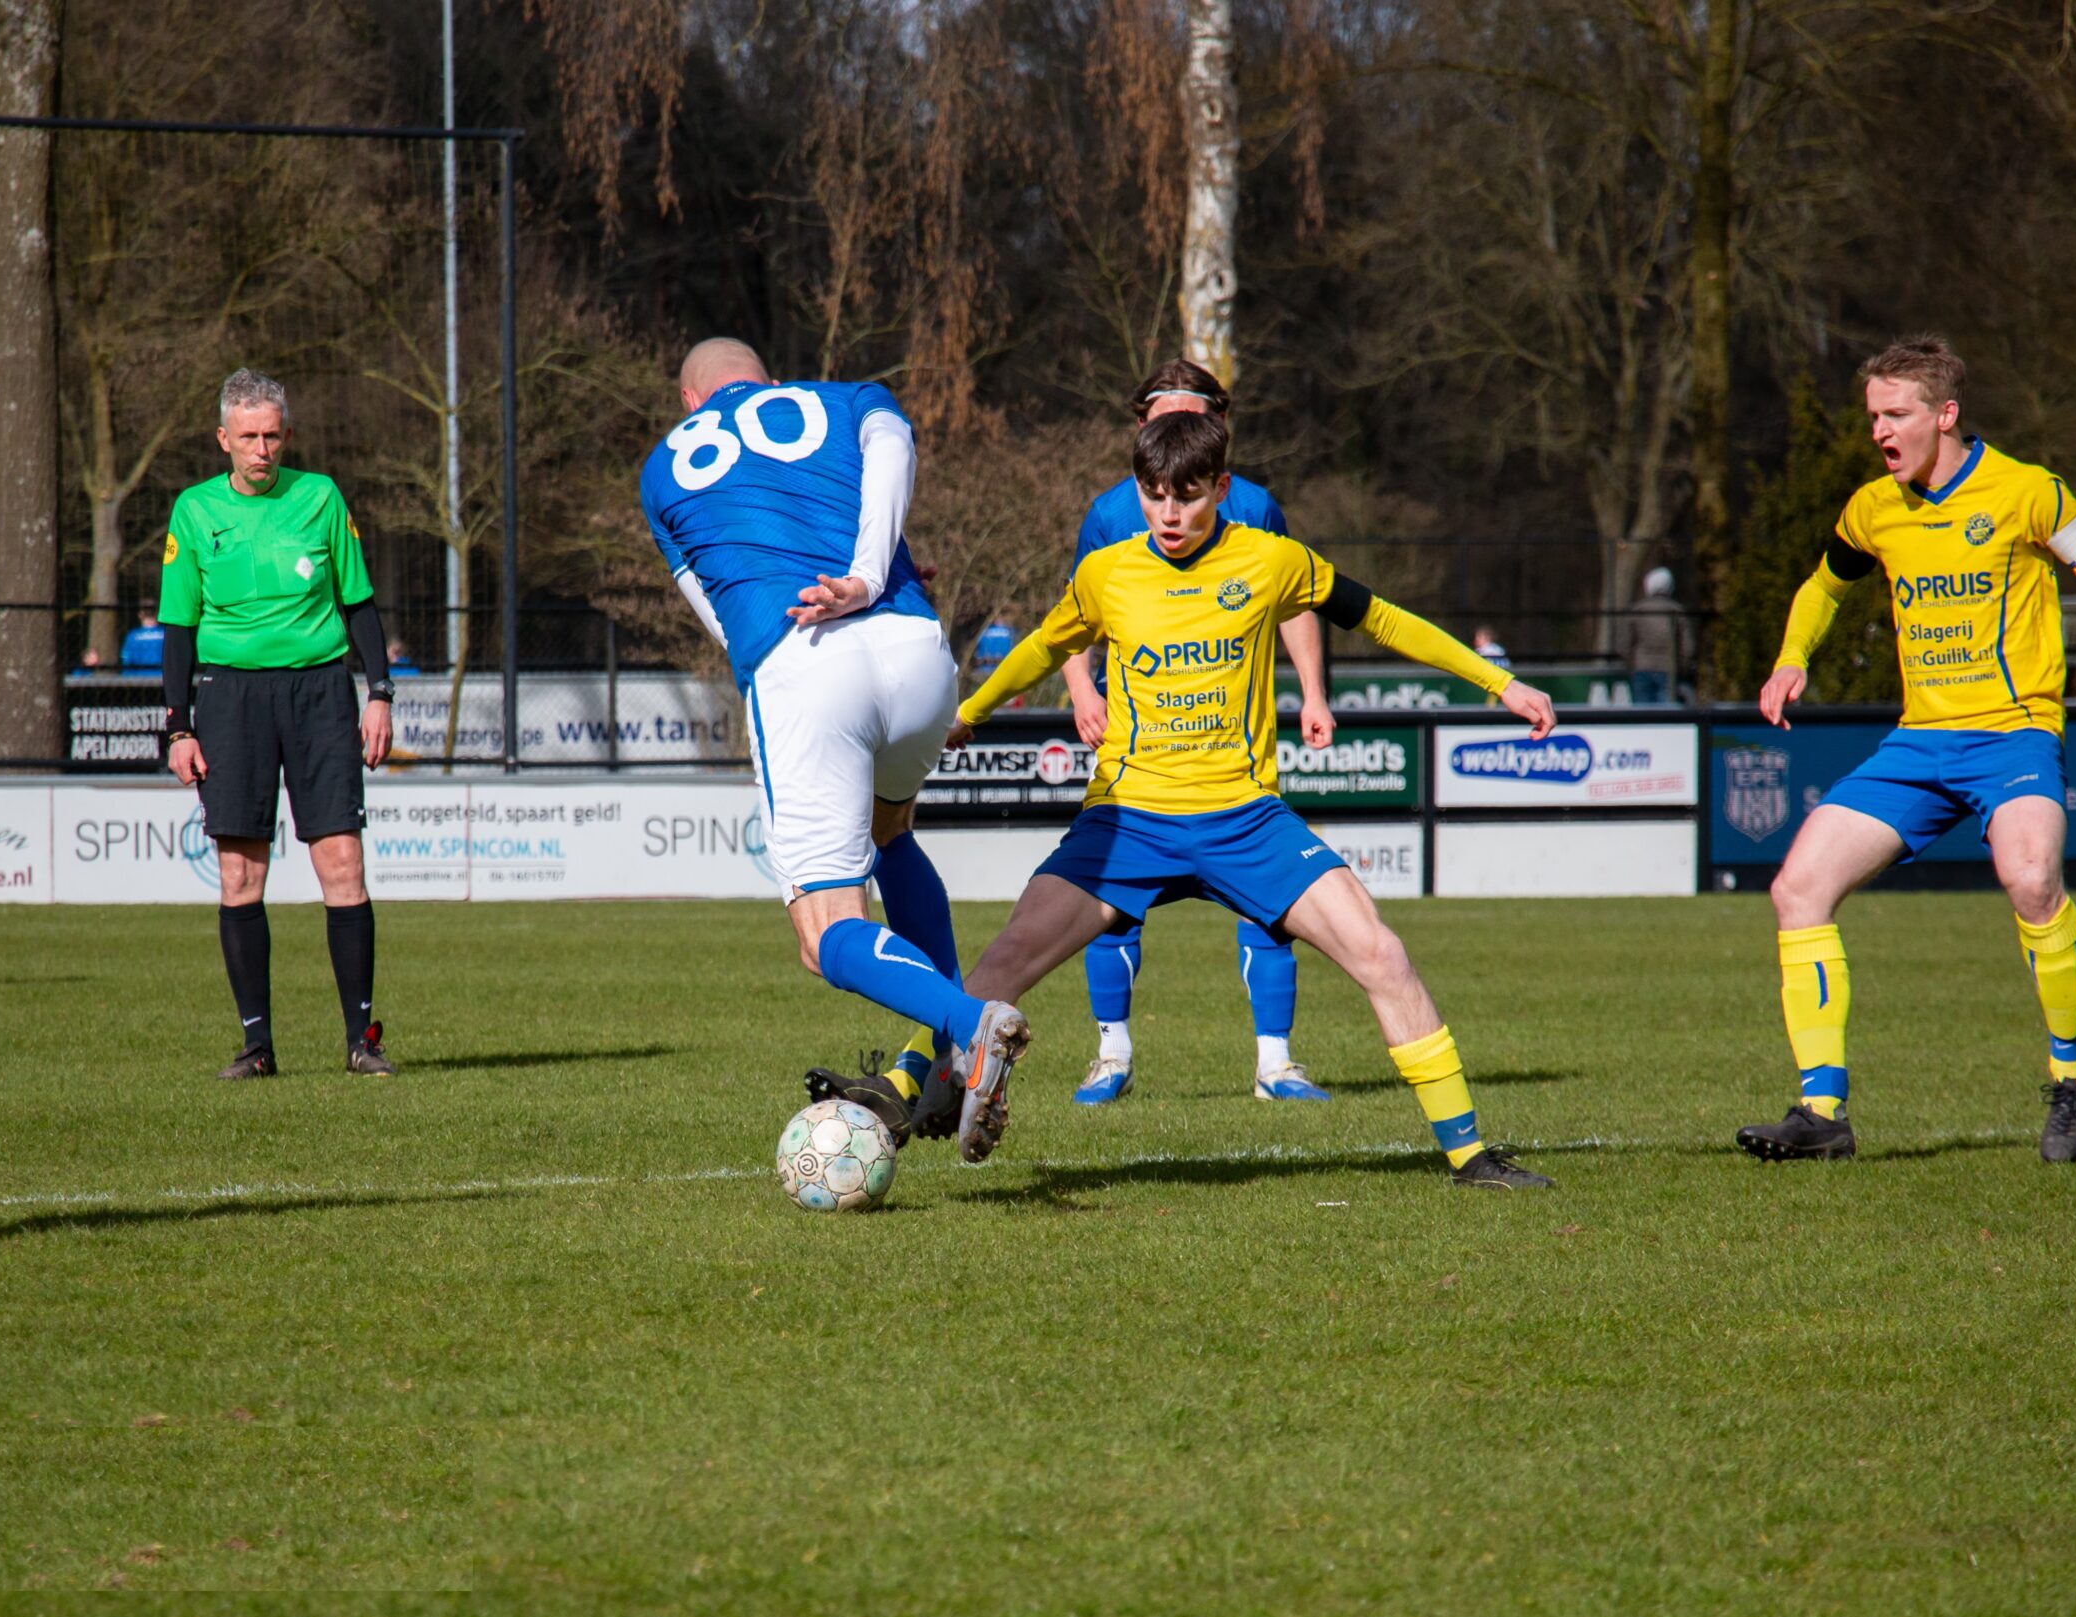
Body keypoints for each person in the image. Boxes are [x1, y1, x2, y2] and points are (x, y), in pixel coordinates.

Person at [932, 409, 1560, 1184]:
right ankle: (914, 1093)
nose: (1169, 513)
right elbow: (1044, 646)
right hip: (1130, 819)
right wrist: (969, 710)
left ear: (1222, 488)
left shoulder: (1272, 560)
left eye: (1188, 496)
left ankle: (1470, 1155)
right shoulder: (1107, 571)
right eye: (1154, 494)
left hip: (1246, 820)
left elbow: (1384, 619)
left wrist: (1500, 681)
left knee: (1382, 953)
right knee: (998, 967)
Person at [1735, 336, 2076, 1165]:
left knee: (2032, 880)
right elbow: (1826, 583)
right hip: (1918, 742)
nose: (1880, 432)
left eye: (1896, 415)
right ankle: (1823, 1113)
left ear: (1946, 414)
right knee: (1797, 888)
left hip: (2013, 733)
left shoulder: (2025, 492)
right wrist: (1793, 656)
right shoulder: (1874, 507)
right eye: (1872, 417)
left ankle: (2070, 1078)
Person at [641, 337, 1020, 1161]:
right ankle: (950, 1066)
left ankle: (970, 1024)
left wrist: (796, 641)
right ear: (771, 382)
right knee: (892, 835)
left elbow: (715, 608)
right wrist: (866, 574)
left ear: (690, 405)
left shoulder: (663, 468)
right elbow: (896, 447)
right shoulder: (847, 396)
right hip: (917, 647)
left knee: (824, 934)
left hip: (806, 659)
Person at [1057, 361, 1333, 1106]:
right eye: (1160, 414)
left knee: (1270, 901)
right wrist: (1084, 689)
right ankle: (1110, 1055)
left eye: (1191, 413)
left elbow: (1298, 596)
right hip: (1138, 745)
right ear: (1138, 423)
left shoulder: (1257, 506)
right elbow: (1071, 616)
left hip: (1229, 744)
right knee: (1107, 899)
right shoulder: (1111, 512)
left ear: (1220, 429)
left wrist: (1312, 691)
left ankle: (1275, 1066)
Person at [163, 370, 397, 1079]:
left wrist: (380, 690)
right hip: (229, 698)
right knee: (240, 872)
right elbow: (179, 626)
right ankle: (257, 1046)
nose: (262, 449)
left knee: (342, 863)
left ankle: (362, 1041)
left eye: (273, 436)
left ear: (285, 436)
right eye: (249, 437)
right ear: (223, 439)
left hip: (320, 691)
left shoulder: (320, 496)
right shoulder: (193, 511)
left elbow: (358, 602)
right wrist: (180, 727)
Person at [1615, 567, 1691, 704]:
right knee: (1667, 716)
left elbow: (1623, 645)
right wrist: (1682, 666)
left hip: (1641, 669)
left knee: (1643, 716)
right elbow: (1688, 647)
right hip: (1668, 670)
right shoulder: (1677, 611)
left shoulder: (1637, 610)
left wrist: (1630, 665)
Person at [118, 603, 164, 676]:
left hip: (139, 679)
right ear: (157, 613)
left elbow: (126, 661)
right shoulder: (165, 634)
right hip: (162, 678)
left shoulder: (132, 636)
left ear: (140, 614)